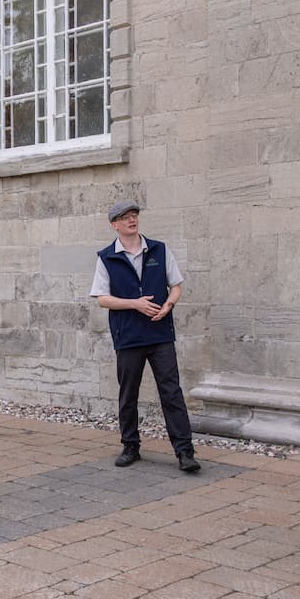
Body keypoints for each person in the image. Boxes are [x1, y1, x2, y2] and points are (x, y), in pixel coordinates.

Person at [89, 200, 200, 473]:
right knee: (128, 394)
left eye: (134, 215)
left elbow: (176, 286)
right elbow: (102, 299)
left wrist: (168, 305)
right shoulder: (106, 257)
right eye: (125, 217)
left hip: (160, 334)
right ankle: (130, 446)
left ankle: (185, 452)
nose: (132, 220)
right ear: (114, 225)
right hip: (128, 336)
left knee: (171, 393)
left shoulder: (159, 249)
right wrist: (134, 304)